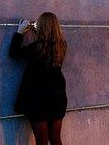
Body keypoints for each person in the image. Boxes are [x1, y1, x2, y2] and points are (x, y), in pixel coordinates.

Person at [9, 12, 68, 145]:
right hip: (57, 98)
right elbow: (49, 42)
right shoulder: (62, 46)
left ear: (42, 27)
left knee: (41, 141)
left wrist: (20, 32)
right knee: (55, 139)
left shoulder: (36, 48)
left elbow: (14, 53)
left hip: (38, 100)